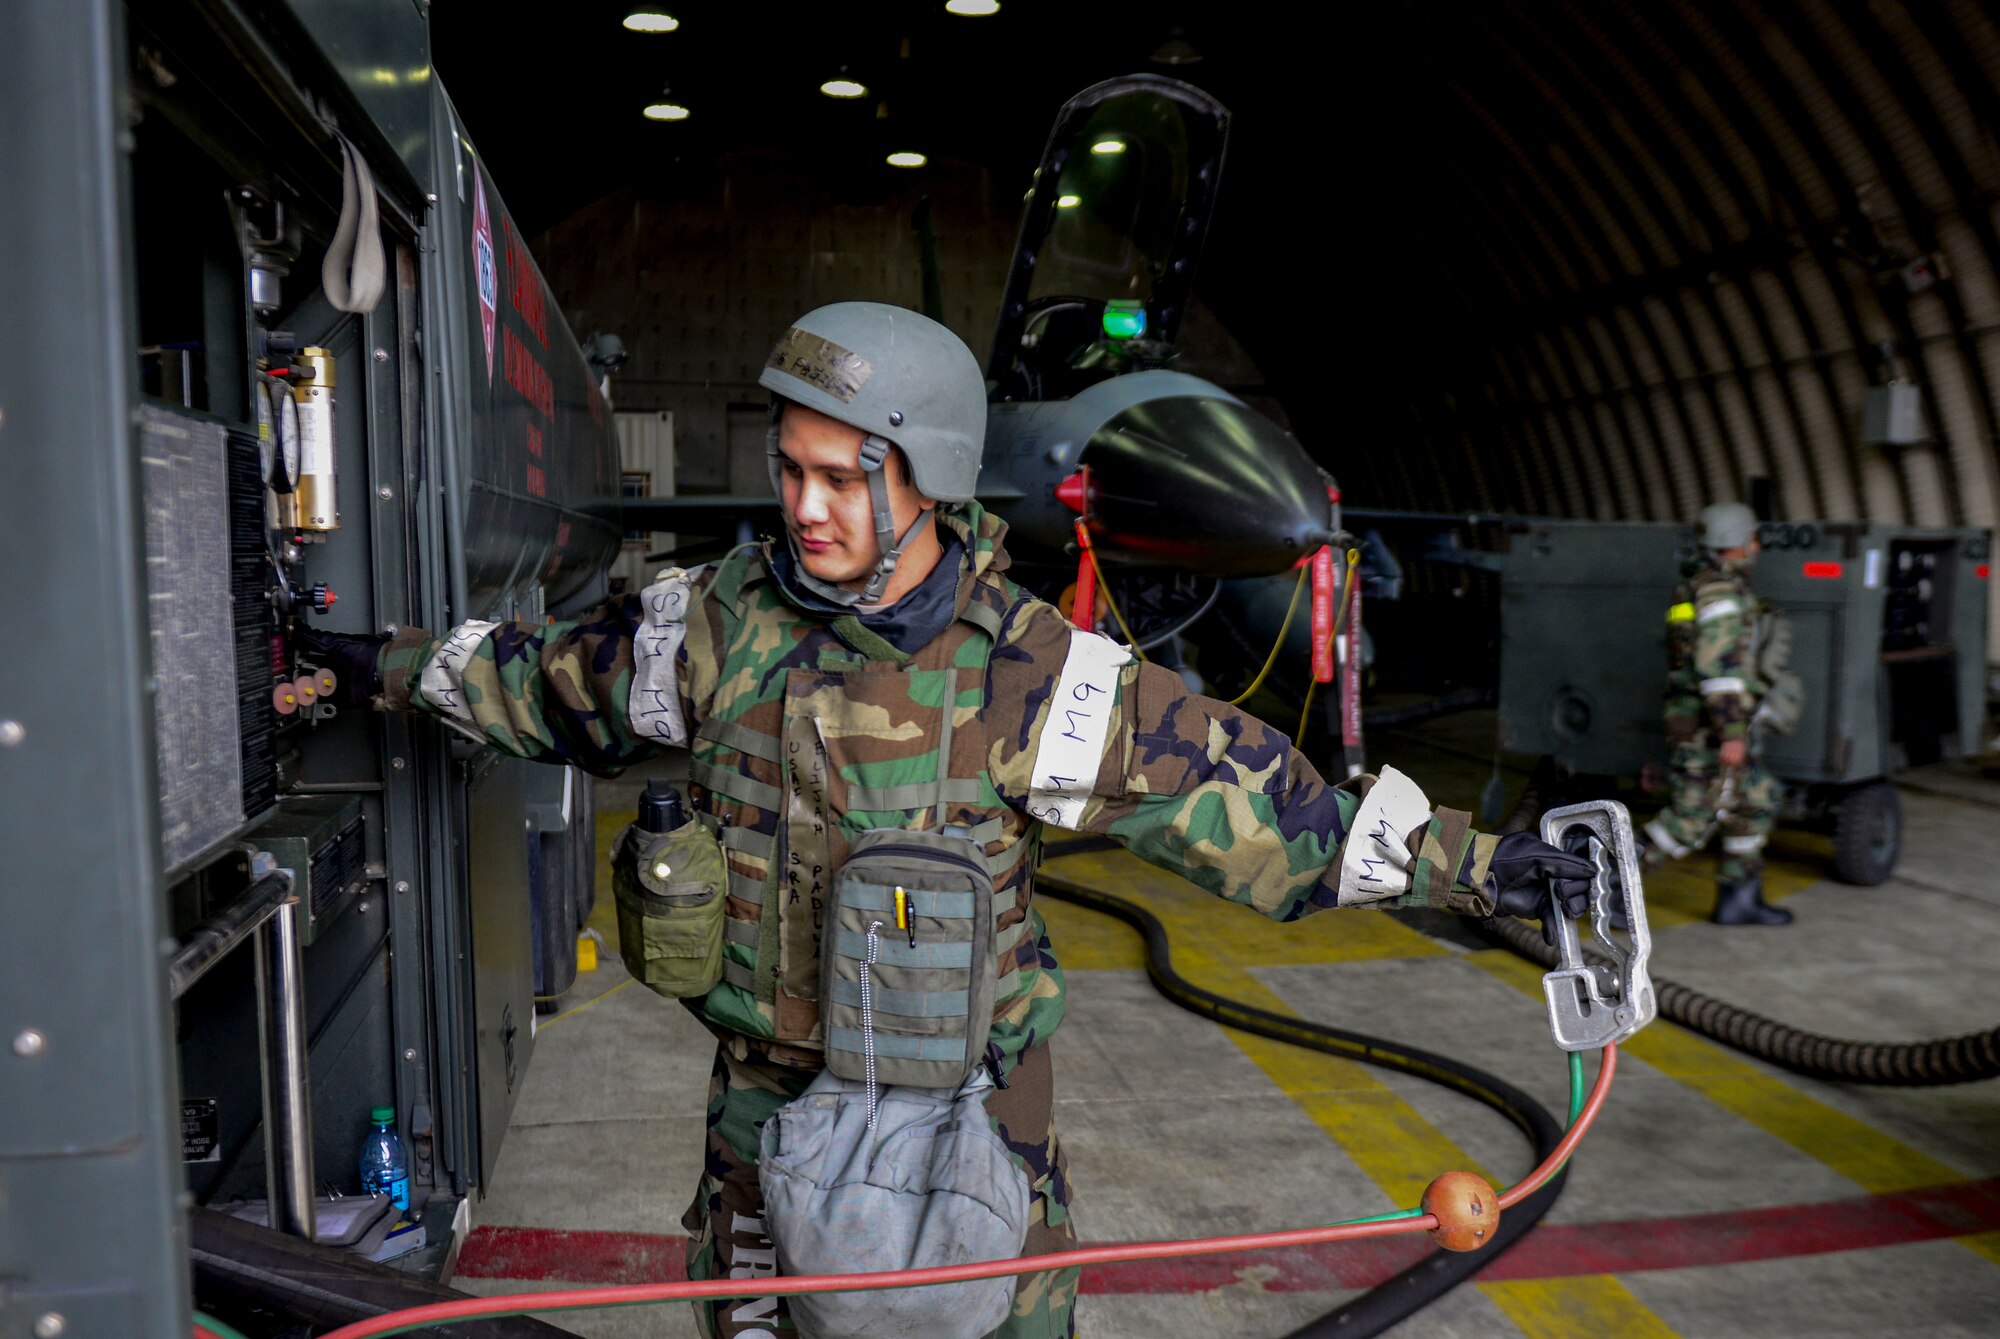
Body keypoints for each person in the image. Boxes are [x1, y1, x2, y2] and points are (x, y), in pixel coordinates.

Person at [303, 302, 1595, 1338]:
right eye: (790, 470)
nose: (806, 508)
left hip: (972, 1123)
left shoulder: (1038, 675)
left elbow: (1267, 807)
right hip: (765, 1106)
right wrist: (368, 661)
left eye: (843, 477)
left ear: (929, 475)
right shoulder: (715, 622)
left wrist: (1482, 866)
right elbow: (536, 682)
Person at [1640, 501, 1793, 926]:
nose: (1757, 546)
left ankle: (1738, 898)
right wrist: (1732, 732)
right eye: (1753, 538)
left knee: (1756, 799)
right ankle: (1603, 882)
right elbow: (1718, 670)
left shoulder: (1706, 586)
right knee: (1690, 818)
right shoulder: (1720, 594)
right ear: (1736, 544)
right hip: (1706, 727)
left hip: (1707, 721)